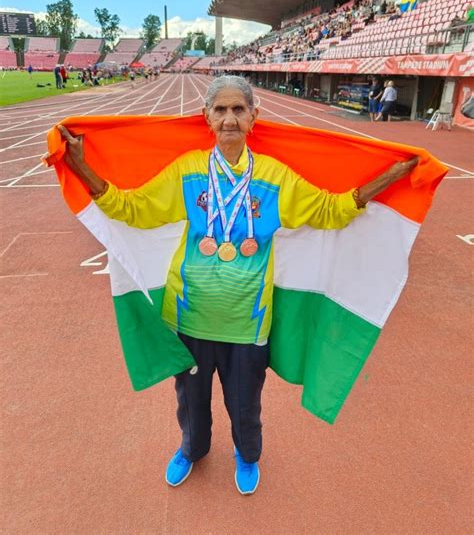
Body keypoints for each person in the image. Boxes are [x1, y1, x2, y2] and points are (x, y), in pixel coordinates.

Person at [58, 76, 417, 496]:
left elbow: (328, 210)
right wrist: (81, 165)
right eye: (221, 110)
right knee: (191, 401)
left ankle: (247, 455)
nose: (229, 118)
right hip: (189, 315)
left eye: (238, 110)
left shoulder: (274, 177)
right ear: (207, 118)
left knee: (245, 404)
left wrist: (387, 178)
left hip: (248, 322)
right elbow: (133, 209)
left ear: (253, 118)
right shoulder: (188, 170)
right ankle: (192, 449)